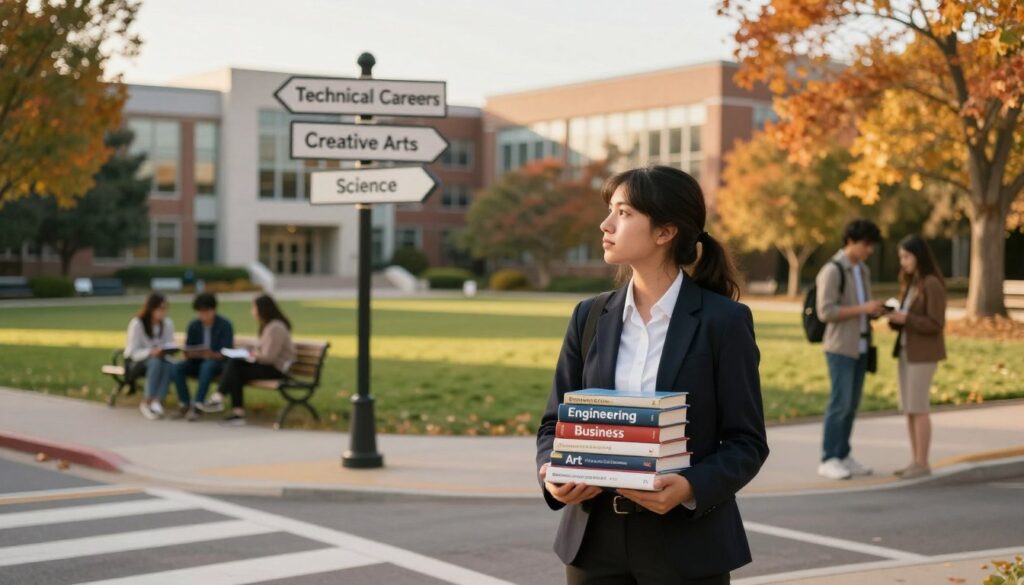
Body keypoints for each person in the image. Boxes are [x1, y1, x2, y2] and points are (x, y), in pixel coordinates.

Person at [536, 166, 769, 584]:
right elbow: (554, 423)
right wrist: (554, 475)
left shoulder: (724, 322)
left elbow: (746, 442)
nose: (605, 224)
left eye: (623, 213)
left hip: (687, 546)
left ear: (665, 232)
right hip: (593, 544)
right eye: (610, 210)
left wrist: (690, 487)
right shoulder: (589, 316)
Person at [814, 219, 885, 480]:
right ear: (851, 241)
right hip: (840, 346)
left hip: (861, 345)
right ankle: (828, 457)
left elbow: (862, 306)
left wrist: (874, 310)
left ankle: (843, 454)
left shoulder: (862, 270)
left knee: (852, 404)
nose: (870, 250)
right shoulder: (833, 270)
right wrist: (863, 309)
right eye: (867, 244)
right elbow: (825, 311)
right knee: (840, 403)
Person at [886, 235, 946, 479]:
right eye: (901, 257)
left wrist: (906, 319)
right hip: (905, 351)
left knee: (919, 407)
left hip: (923, 355)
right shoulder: (912, 284)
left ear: (918, 255)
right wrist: (894, 318)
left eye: (906, 256)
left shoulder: (932, 284)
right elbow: (909, 319)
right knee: (909, 408)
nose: (903, 262)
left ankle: (923, 463)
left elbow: (936, 323)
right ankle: (915, 461)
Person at [219, 294, 296, 426]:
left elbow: (269, 358)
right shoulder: (269, 326)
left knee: (235, 367)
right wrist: (249, 351)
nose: (252, 311)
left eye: (253, 308)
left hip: (277, 370)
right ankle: (233, 410)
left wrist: (251, 355)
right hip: (270, 367)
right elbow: (262, 348)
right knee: (235, 367)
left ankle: (221, 398)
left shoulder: (275, 328)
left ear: (263, 309)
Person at [171, 292, 235, 421]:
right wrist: (189, 353)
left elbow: (227, 351)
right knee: (177, 367)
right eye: (199, 312)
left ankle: (197, 406)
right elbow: (189, 346)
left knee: (207, 366)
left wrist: (212, 354)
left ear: (213, 310)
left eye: (205, 312)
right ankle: (184, 403)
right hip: (196, 361)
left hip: (217, 364)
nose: (202, 315)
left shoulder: (225, 325)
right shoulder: (194, 325)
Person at [124, 293, 175, 420]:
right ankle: (147, 401)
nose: (163, 312)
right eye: (160, 308)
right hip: (137, 362)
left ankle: (157, 401)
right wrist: (150, 352)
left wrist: (166, 350)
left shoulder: (167, 324)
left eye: (165, 308)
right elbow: (132, 352)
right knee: (155, 362)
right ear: (151, 308)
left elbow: (169, 344)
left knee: (169, 365)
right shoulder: (137, 324)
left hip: (161, 359)